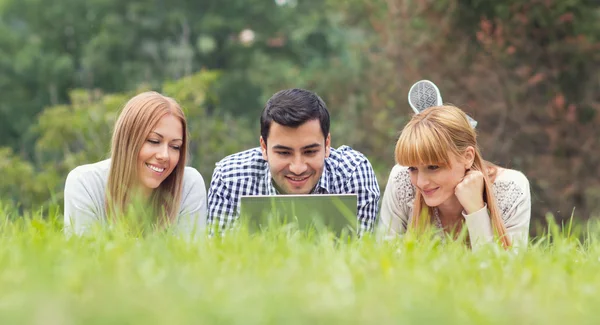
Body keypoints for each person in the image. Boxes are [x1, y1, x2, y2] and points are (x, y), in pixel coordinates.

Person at [207, 88, 380, 234]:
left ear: (327, 145)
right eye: (284, 153)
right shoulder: (229, 178)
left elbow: (357, 257)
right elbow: (221, 261)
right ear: (264, 147)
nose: (298, 168)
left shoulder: (352, 174)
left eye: (310, 151)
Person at [378, 105, 531, 249]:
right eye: (413, 168)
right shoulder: (401, 178)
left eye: (433, 167)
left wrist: (476, 210)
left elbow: (504, 272)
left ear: (468, 157)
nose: (421, 182)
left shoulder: (511, 189)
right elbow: (386, 260)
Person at [63, 91, 207, 237]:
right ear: (127, 140)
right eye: (154, 141)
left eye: (175, 146)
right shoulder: (85, 184)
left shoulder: (189, 184)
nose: (165, 155)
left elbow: (191, 255)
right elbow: (82, 255)